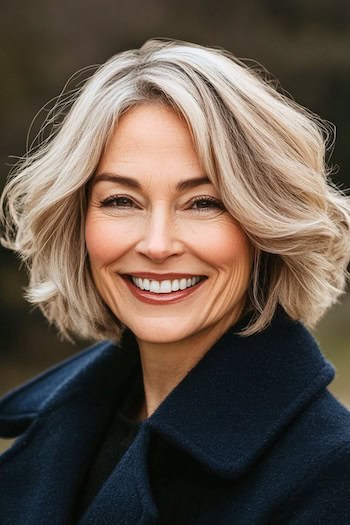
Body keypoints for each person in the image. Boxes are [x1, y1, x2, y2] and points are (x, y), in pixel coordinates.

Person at [0, 38, 350, 524]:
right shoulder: (60, 433)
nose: (157, 244)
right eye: (121, 200)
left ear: (266, 224)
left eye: (204, 203)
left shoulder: (332, 477)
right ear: (77, 220)